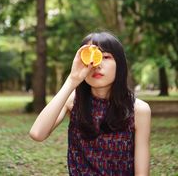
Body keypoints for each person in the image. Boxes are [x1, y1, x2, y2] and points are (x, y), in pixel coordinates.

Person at [29, 31, 151, 176]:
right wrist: (72, 80)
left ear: (120, 64)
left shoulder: (139, 110)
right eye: (88, 57)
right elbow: (37, 133)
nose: (96, 64)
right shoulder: (73, 101)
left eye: (105, 57)